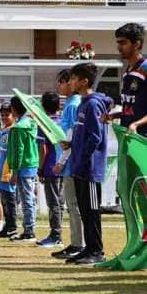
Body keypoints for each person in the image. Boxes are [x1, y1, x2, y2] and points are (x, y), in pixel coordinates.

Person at [66, 63, 112, 265]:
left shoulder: (93, 104)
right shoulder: (83, 103)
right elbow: (82, 134)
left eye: (74, 78)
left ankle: (97, 251)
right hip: (79, 166)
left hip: (89, 169)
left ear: (84, 81)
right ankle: (88, 249)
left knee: (92, 211)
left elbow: (95, 137)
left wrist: (83, 159)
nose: (70, 82)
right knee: (84, 210)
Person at [51, 69, 84, 259]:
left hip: (70, 163)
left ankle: (78, 244)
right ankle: (76, 242)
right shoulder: (71, 105)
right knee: (72, 204)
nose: (60, 86)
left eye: (61, 82)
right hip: (68, 162)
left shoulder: (73, 105)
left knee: (74, 204)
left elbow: (71, 136)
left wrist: (61, 162)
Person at [7, 96, 39, 243]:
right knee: (28, 198)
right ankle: (29, 228)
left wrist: (14, 170)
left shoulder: (19, 127)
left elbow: (18, 150)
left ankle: (29, 231)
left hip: (23, 166)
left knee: (26, 199)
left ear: (14, 109)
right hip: (31, 163)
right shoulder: (31, 123)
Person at [36, 92, 64, 248]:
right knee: (60, 202)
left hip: (50, 167)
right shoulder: (62, 121)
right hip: (63, 166)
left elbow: (43, 149)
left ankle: (55, 235)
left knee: (53, 203)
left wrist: (40, 169)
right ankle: (58, 234)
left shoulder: (44, 124)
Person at [112, 23, 147, 134]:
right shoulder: (127, 72)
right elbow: (130, 109)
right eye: (118, 43)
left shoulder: (145, 69)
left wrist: (136, 124)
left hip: (142, 138)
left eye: (123, 43)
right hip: (128, 135)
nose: (119, 47)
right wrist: (113, 116)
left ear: (136, 44)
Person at [0, 104, 18, 239]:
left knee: (10, 200)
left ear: (13, 115)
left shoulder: (14, 130)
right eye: (2, 115)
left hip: (8, 170)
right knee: (5, 201)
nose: (4, 117)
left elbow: (14, 151)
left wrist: (13, 170)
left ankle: (12, 227)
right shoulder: (2, 131)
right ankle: (8, 226)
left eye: (7, 115)